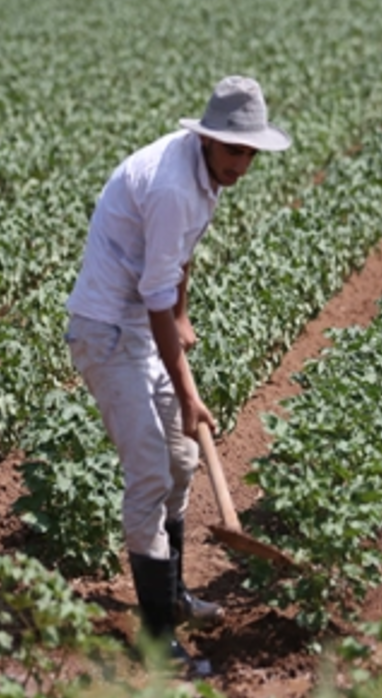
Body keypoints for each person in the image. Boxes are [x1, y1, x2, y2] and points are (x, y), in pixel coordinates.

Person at [64, 76, 292, 663]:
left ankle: (173, 594)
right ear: (209, 140)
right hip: (108, 330)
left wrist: (184, 313)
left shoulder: (206, 175)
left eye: (250, 152)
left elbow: (177, 263)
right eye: (234, 149)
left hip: (143, 323)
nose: (243, 163)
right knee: (148, 474)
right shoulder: (173, 188)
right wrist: (188, 391)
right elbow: (155, 289)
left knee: (182, 460)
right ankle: (157, 636)